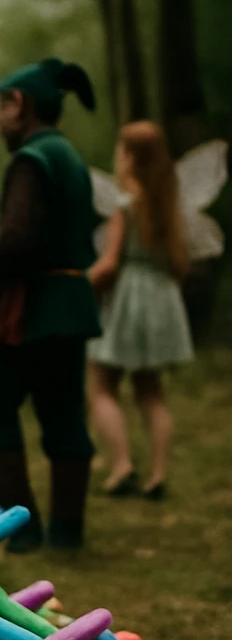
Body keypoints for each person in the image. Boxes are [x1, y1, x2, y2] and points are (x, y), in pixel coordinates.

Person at [0, 58, 100, 552]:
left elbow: (19, 242)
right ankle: (67, 533)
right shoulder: (67, 155)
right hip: (67, 306)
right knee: (64, 418)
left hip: (32, 310)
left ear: (20, 106)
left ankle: (22, 532)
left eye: (2, 106)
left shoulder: (32, 159)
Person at [86, 122, 193, 500]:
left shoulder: (126, 202)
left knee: (102, 384)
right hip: (162, 297)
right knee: (151, 391)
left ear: (129, 155)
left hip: (130, 297)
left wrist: (82, 282)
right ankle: (158, 473)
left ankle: (122, 465)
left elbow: (111, 262)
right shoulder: (170, 201)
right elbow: (182, 262)